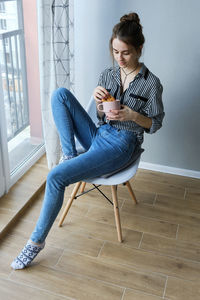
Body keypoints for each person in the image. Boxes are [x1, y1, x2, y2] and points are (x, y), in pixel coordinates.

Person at [11, 12, 164, 269]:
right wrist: (97, 103)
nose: (119, 58)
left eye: (125, 52)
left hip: (123, 144)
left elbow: (156, 123)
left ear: (139, 49)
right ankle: (70, 154)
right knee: (60, 94)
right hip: (100, 134)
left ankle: (35, 242)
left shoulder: (152, 84)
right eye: (115, 52)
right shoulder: (108, 74)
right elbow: (102, 114)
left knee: (56, 177)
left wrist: (133, 115)